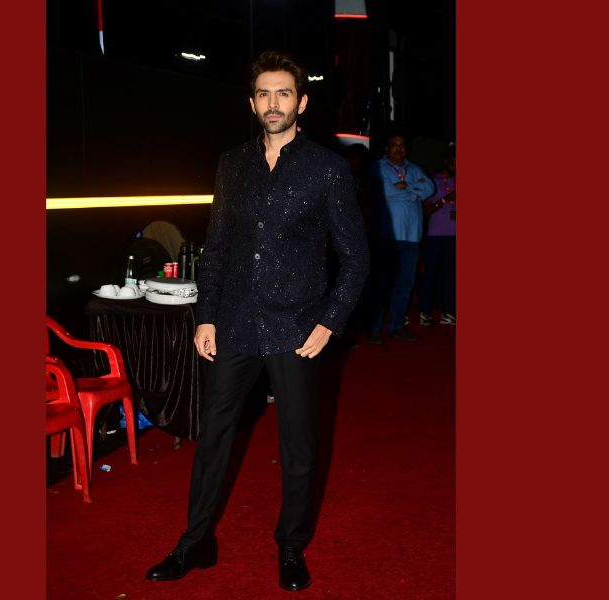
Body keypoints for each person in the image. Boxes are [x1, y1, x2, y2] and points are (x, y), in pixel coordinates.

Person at [145, 49, 370, 592]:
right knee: (213, 437)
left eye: (283, 93)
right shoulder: (232, 164)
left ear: (301, 102)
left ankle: (290, 545)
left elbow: (357, 257)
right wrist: (206, 317)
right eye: (264, 94)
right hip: (237, 322)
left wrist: (329, 322)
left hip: (298, 327)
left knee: (298, 446)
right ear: (252, 103)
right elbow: (218, 248)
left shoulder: (327, 169)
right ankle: (195, 541)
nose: (273, 103)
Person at [367, 131, 435, 342]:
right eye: (394, 145)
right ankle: (374, 328)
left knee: (405, 284)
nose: (399, 148)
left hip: (412, 237)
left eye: (402, 145)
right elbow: (384, 191)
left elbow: (429, 188)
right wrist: (415, 191)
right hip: (388, 236)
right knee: (382, 283)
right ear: (387, 148)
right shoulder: (378, 167)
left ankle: (396, 326)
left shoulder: (414, 169)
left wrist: (405, 187)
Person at [419, 142, 456, 326]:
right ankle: (424, 311)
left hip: (455, 236)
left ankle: (447, 312)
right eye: (454, 163)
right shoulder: (433, 181)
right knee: (430, 274)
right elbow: (424, 211)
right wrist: (444, 200)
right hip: (436, 235)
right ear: (446, 161)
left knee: (452, 275)